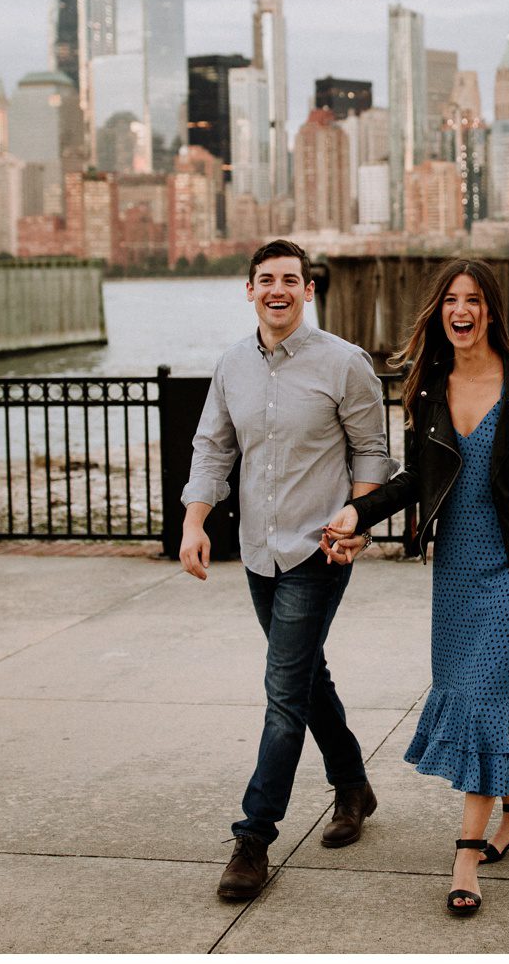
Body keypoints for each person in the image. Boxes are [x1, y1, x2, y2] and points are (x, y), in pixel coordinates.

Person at [321, 258, 509, 918]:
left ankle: (467, 854)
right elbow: (415, 480)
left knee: (481, 694)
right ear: (440, 314)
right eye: (449, 302)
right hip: (456, 569)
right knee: (485, 698)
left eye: (472, 300)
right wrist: (359, 513)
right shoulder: (429, 387)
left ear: (491, 310)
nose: (460, 311)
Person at [179, 238, 394, 903]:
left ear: (309, 289)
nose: (278, 289)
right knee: (303, 676)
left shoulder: (345, 364)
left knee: (281, 691)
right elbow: (213, 446)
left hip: (319, 550)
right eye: (265, 279)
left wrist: (358, 524)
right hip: (257, 551)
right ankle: (352, 783)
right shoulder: (231, 366)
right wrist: (194, 522)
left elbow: (372, 453)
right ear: (249, 290)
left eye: (290, 279)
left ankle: (254, 836)